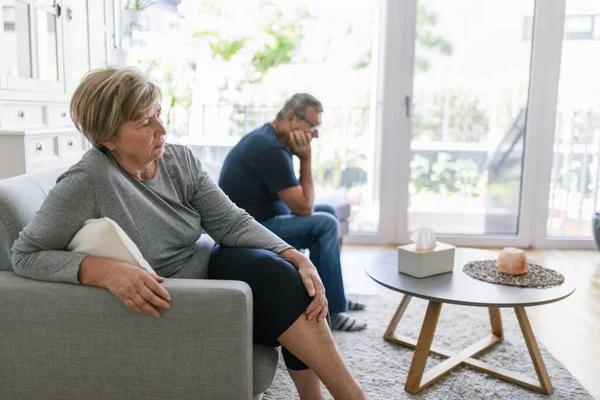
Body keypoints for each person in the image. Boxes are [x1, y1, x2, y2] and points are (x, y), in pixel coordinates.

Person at [10, 68, 366, 400]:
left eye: (159, 114)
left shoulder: (179, 160)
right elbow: (25, 255)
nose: (161, 130)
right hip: (183, 295)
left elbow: (232, 223)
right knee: (279, 286)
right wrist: (105, 271)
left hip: (208, 264)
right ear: (108, 137)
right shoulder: (88, 182)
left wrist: (295, 255)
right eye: (144, 123)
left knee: (283, 272)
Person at [219, 94, 367, 332]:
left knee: (327, 211)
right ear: (290, 117)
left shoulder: (274, 139)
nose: (315, 134)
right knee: (326, 223)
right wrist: (306, 159)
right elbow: (304, 207)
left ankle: (332, 292)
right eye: (313, 126)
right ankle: (335, 311)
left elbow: (301, 202)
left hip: (265, 218)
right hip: (251, 230)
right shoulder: (269, 148)